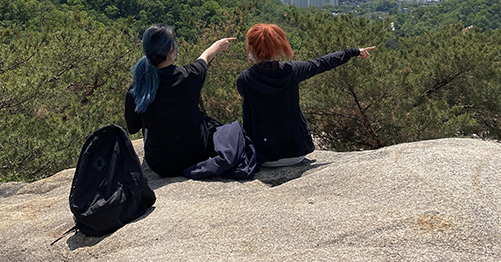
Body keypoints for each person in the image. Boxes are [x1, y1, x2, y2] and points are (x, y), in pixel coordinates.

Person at [236, 23, 375, 168]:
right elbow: (322, 63)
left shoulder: (245, 79)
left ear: (251, 48)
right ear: (279, 46)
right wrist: (353, 51)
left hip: (263, 156)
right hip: (296, 153)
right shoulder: (293, 71)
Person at [124, 23, 235, 177]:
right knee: (205, 120)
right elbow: (204, 58)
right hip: (197, 155)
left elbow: (133, 127)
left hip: (161, 165)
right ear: (171, 49)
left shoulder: (137, 89)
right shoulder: (189, 75)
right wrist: (217, 45)